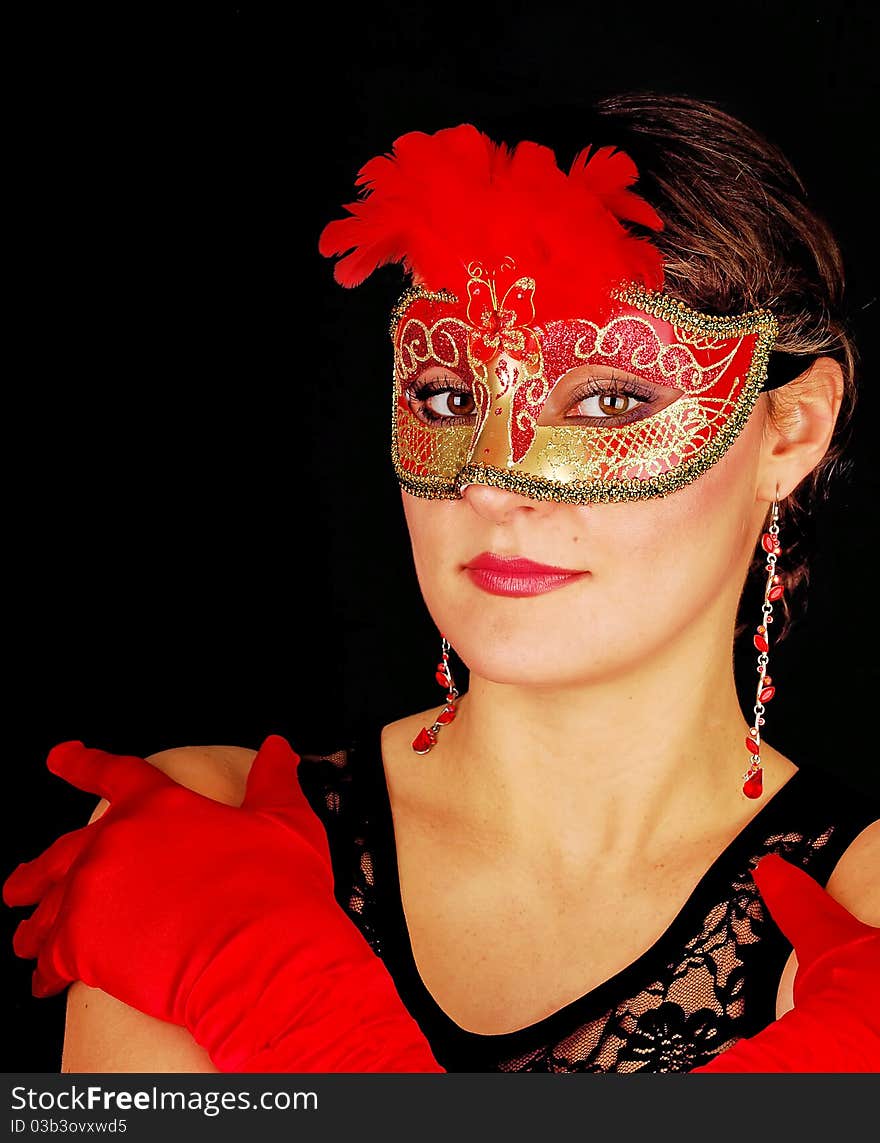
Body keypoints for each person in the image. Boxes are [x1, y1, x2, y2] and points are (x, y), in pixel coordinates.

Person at [4, 93, 879, 1074]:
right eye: (449, 395)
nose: (495, 484)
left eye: (607, 397)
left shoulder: (861, 908)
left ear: (790, 431)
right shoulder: (205, 823)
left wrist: (298, 1021)